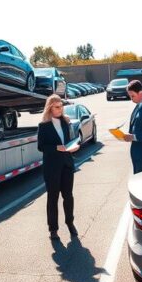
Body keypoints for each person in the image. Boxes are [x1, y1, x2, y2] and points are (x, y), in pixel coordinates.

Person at [37, 94, 80, 239]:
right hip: (52, 168)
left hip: (67, 164)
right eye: (57, 106)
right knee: (53, 198)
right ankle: (53, 229)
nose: (60, 109)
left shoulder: (65, 122)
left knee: (68, 196)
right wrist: (57, 147)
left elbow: (70, 141)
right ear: (50, 108)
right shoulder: (43, 126)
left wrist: (73, 146)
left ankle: (70, 223)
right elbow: (41, 147)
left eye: (61, 106)